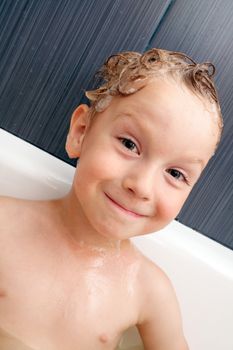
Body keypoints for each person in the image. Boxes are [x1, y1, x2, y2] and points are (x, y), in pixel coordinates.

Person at [0, 48, 223, 350]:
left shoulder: (148, 292)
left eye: (175, 173)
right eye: (129, 144)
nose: (142, 186)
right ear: (81, 132)